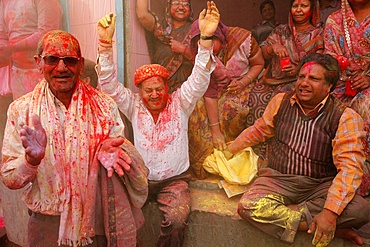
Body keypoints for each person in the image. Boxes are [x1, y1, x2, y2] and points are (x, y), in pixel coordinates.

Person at [0, 30, 148, 246]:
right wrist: (31, 161)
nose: (61, 68)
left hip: (96, 223)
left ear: (80, 64)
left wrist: (112, 150)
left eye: (69, 60)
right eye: (52, 59)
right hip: (46, 224)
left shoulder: (104, 106)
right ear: (38, 63)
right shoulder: (21, 110)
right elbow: (9, 179)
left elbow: (121, 161)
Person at [96, 1, 219, 246]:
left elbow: (199, 78)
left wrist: (205, 39)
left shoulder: (180, 102)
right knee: (111, 210)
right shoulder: (134, 105)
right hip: (140, 178)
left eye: (159, 89)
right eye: (148, 90)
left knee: (175, 219)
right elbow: (108, 85)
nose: (154, 95)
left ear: (167, 88)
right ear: (140, 92)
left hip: (174, 181)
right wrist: (104, 45)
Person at [225, 53, 369, 247]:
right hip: (277, 180)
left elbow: (350, 169)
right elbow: (259, 130)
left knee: (360, 210)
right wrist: (229, 150)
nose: (304, 83)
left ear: (329, 86)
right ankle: (324, 226)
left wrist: (329, 213)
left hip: (319, 186)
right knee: (249, 207)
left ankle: (308, 220)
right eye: (301, 77)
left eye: (314, 78)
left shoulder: (345, 118)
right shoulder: (280, 102)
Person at [187, 18, 264, 177]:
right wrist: (215, 131)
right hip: (213, 90)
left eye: (210, 42)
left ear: (219, 36)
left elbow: (258, 64)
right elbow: (209, 91)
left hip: (241, 84)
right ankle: (206, 164)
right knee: (195, 113)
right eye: (201, 44)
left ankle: (230, 157)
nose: (207, 49)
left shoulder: (244, 39)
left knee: (230, 111)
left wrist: (243, 82)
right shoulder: (201, 52)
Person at [324, 0, 370, 196]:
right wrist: (346, 75)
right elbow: (330, 60)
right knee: (327, 112)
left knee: (365, 108)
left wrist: (368, 78)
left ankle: (362, 181)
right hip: (342, 83)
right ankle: (335, 179)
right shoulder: (334, 21)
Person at [0, 0, 63, 100]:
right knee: (21, 113)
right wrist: (3, 50)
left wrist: (13, 48)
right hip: (17, 72)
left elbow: (47, 34)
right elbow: (2, 34)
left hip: (43, 71)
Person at [136, 0, 194, 93]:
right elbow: (143, 15)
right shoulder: (161, 27)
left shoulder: (196, 30)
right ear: (169, 6)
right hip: (161, 90)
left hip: (186, 92)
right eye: (176, 3)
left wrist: (184, 50)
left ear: (190, 9)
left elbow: (204, 62)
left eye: (185, 4)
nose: (181, 7)